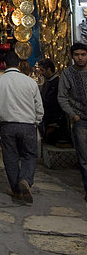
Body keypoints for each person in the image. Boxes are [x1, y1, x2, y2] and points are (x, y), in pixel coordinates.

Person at [0, 50, 44, 203]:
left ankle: (16, 189)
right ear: (19, 64)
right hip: (28, 124)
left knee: (10, 157)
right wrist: (36, 121)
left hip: (8, 125)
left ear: (4, 65)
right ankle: (25, 179)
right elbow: (39, 106)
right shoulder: (30, 82)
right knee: (29, 155)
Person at [57, 42, 87, 201]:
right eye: (77, 55)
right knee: (84, 157)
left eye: (83, 54)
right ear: (72, 56)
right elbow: (62, 97)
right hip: (80, 120)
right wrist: (73, 115)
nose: (80, 58)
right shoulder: (68, 74)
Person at [37, 58, 69, 145]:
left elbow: (52, 102)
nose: (41, 73)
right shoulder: (47, 82)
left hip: (55, 122)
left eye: (42, 70)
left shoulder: (57, 83)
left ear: (49, 69)